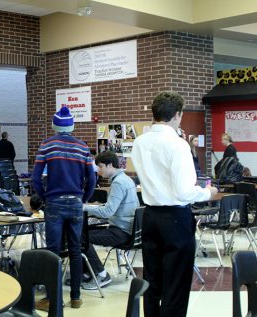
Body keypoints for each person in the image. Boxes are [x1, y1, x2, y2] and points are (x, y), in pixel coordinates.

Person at [131, 91, 217, 317]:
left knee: (152, 279)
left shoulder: (139, 142)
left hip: (149, 216)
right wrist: (209, 192)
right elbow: (184, 191)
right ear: (178, 115)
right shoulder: (178, 145)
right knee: (176, 283)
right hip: (175, 219)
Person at [32, 106, 96, 310]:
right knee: (76, 249)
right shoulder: (83, 147)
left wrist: (44, 197)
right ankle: (76, 297)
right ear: (72, 126)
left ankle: (53, 299)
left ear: (54, 125)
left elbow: (35, 178)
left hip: (54, 203)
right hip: (76, 202)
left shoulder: (47, 145)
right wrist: (83, 197)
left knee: (54, 251)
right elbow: (92, 178)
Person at [82, 151, 139, 290]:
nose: (98, 170)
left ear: (110, 165)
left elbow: (108, 212)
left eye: (100, 166)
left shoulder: (118, 183)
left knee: (81, 237)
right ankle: (88, 273)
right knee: (83, 233)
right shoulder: (126, 179)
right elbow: (112, 207)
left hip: (121, 232)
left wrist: (83, 207)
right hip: (128, 230)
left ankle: (102, 275)